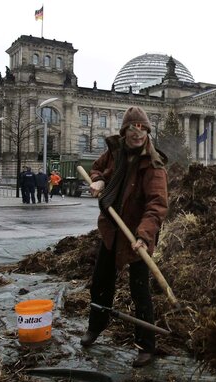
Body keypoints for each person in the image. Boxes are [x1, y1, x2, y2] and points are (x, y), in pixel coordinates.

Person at [80, 106, 169, 367]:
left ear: (147, 132)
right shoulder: (114, 152)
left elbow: (157, 205)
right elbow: (96, 168)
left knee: (140, 290)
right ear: (124, 130)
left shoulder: (153, 165)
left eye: (142, 129)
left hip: (138, 234)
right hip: (111, 230)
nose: (137, 133)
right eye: (133, 128)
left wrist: (143, 235)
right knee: (100, 284)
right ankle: (95, 327)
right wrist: (98, 180)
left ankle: (146, 346)